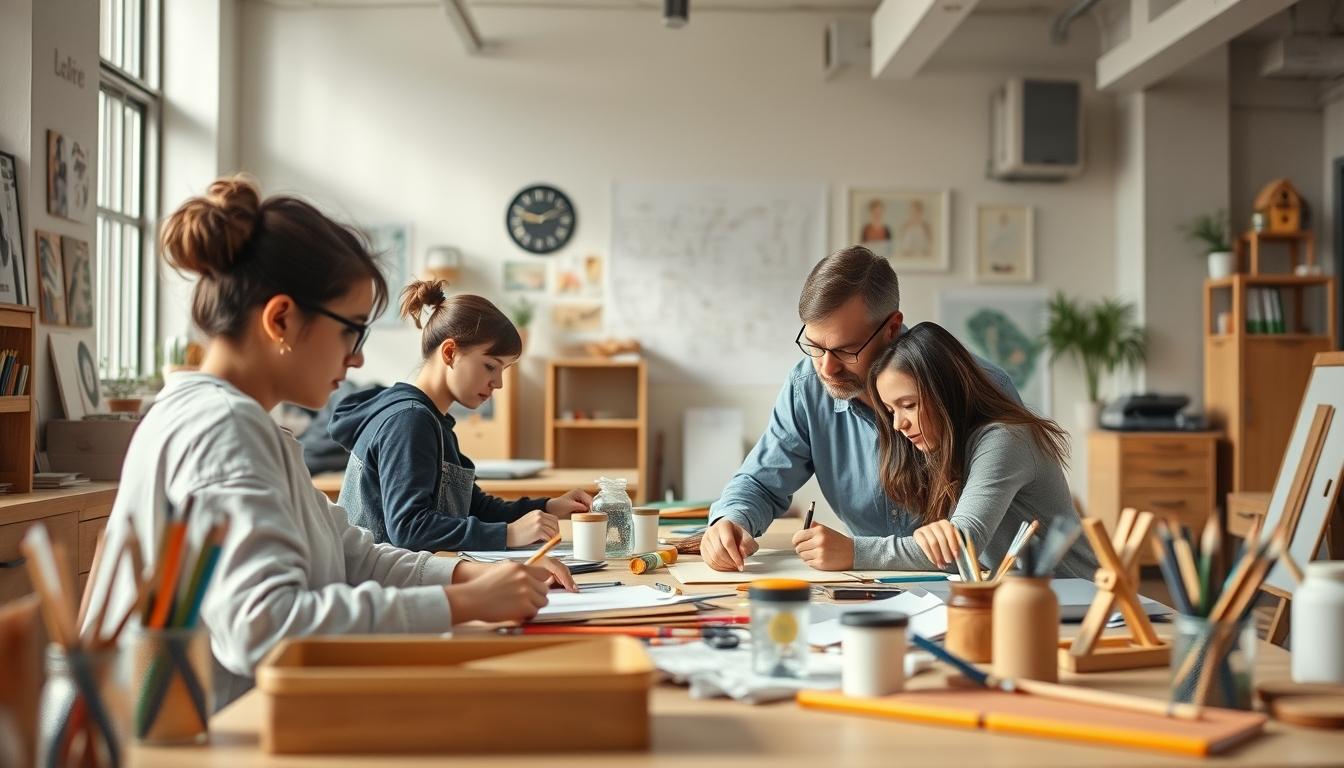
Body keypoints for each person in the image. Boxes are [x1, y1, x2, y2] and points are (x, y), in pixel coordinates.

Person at [87, 176, 573, 709]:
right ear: (281, 319)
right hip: (210, 728)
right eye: (352, 330)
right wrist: (459, 602)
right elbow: (264, 628)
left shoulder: (248, 426)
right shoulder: (222, 430)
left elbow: (353, 554)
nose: (358, 357)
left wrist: (473, 574)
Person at [701, 245, 1021, 572]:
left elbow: (972, 541)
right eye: (814, 346)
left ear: (892, 328)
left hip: (971, 586)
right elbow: (762, 482)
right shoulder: (807, 387)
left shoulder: (981, 388)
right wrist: (731, 520)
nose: (826, 368)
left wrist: (856, 551)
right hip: (864, 584)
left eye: (846, 350)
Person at [330, 279, 591, 552]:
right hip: (377, 578)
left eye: (503, 370)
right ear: (450, 352)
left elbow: (474, 508)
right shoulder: (409, 421)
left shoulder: (434, 422)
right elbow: (409, 528)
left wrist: (549, 506)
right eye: (490, 366)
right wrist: (508, 534)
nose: (498, 383)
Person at [863, 322, 1096, 576]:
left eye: (908, 405)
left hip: (1079, 594)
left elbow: (961, 550)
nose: (898, 424)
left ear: (947, 391)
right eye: (891, 411)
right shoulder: (944, 451)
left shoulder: (1006, 439)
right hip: (1022, 591)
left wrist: (850, 550)